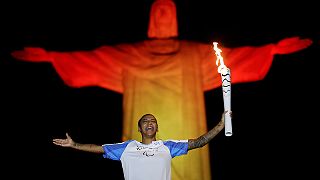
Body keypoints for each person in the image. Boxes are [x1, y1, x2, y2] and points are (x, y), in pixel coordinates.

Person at [11, 0, 313, 179]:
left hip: (185, 130)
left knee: (188, 162)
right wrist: (52, 57)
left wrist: (271, 50)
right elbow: (92, 61)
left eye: (168, 11)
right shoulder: (130, 54)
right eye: (159, 12)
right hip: (145, 151)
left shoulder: (193, 55)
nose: (164, 17)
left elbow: (233, 60)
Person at [53, 111, 230, 180]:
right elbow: (99, 148)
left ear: (157, 127)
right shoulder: (127, 148)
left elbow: (199, 142)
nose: (149, 123)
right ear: (139, 128)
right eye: (145, 121)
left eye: (153, 121)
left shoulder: (168, 146)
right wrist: (74, 144)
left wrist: (220, 125)